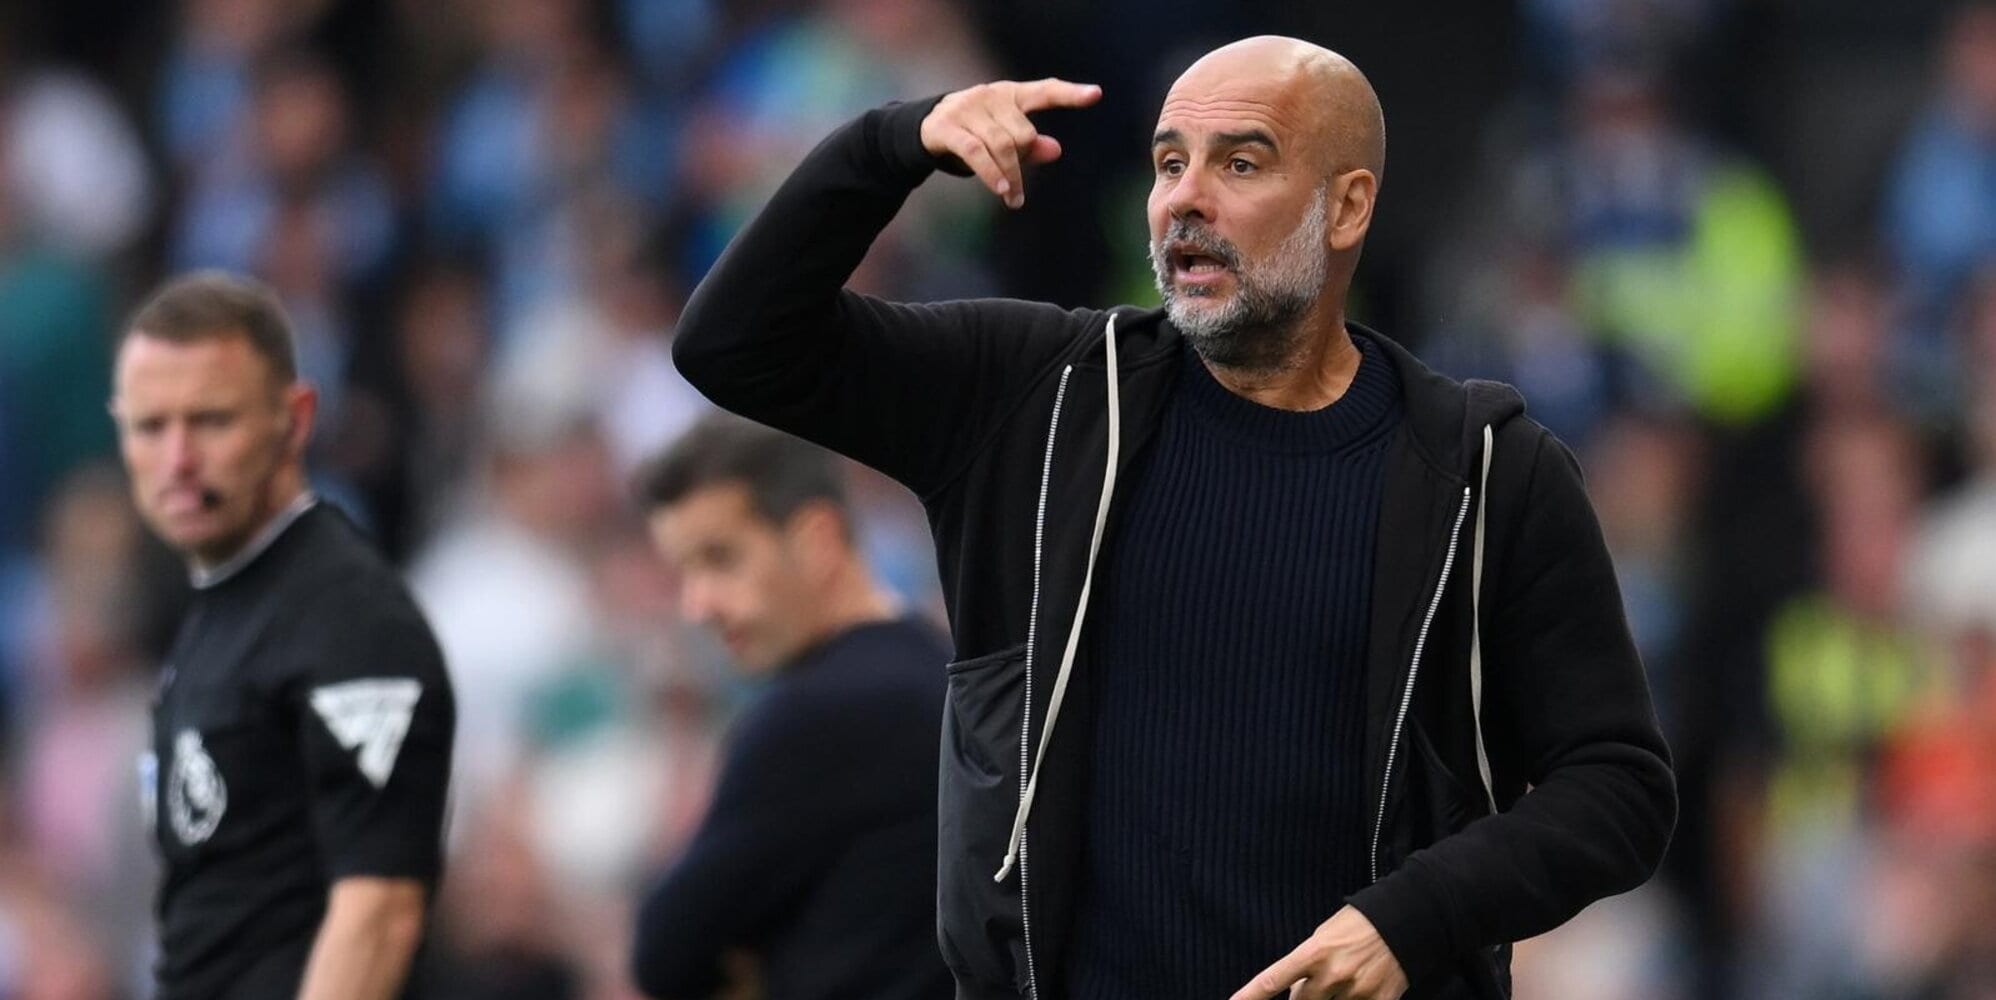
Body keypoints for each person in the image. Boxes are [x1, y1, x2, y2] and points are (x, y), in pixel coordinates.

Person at [671, 34, 1676, 1000]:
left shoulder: (1484, 472)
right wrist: (890, 145)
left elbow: (1618, 785)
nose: (1185, 198)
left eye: (1239, 163)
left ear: (1346, 207)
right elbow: (736, 342)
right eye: (1167, 164)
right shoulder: (1038, 399)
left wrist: (1411, 920)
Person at [111, 271, 455, 1000]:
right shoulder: (219, 608)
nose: (178, 459)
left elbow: (380, 912)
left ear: (295, 420)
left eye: (211, 421)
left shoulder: (349, 618)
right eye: (150, 426)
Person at [629, 414, 954, 1000]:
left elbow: (664, 956)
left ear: (817, 540)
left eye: (720, 558)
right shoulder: (942, 667)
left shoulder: (816, 716)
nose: (696, 606)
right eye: (683, 572)